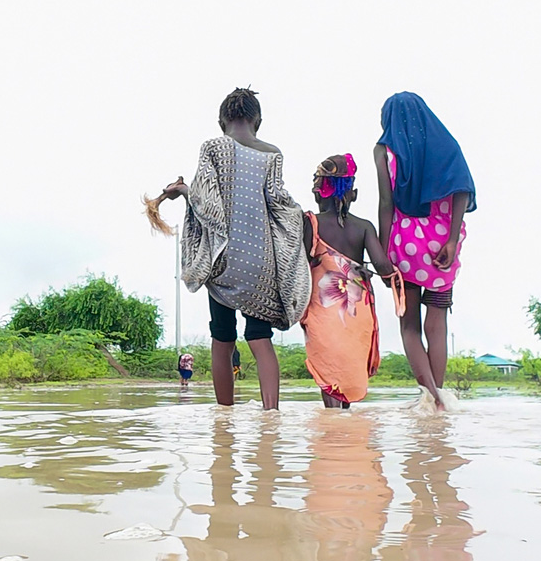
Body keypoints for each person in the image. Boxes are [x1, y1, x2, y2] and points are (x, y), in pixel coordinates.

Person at [158, 87, 311, 410]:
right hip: (261, 262)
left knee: (223, 337)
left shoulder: (213, 148)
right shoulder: (272, 154)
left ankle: (224, 415)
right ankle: (272, 413)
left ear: (220, 121)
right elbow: (280, 205)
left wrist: (183, 190)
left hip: (222, 258)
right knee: (259, 336)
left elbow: (206, 203)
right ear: (258, 121)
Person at [374, 92, 476, 406]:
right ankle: (439, 398)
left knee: (409, 326)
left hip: (405, 246)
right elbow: (462, 190)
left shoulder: (384, 152)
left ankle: (429, 395)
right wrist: (451, 238)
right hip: (442, 245)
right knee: (438, 323)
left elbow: (386, 204)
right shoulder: (446, 145)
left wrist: (382, 251)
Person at [301, 154, 405, 408]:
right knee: (348, 366)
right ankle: (346, 431)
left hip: (323, 310)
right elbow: (383, 267)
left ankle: (334, 428)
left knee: (329, 370)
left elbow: (300, 265)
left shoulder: (311, 223)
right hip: (357, 312)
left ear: (317, 193)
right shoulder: (365, 227)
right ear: (354, 194)